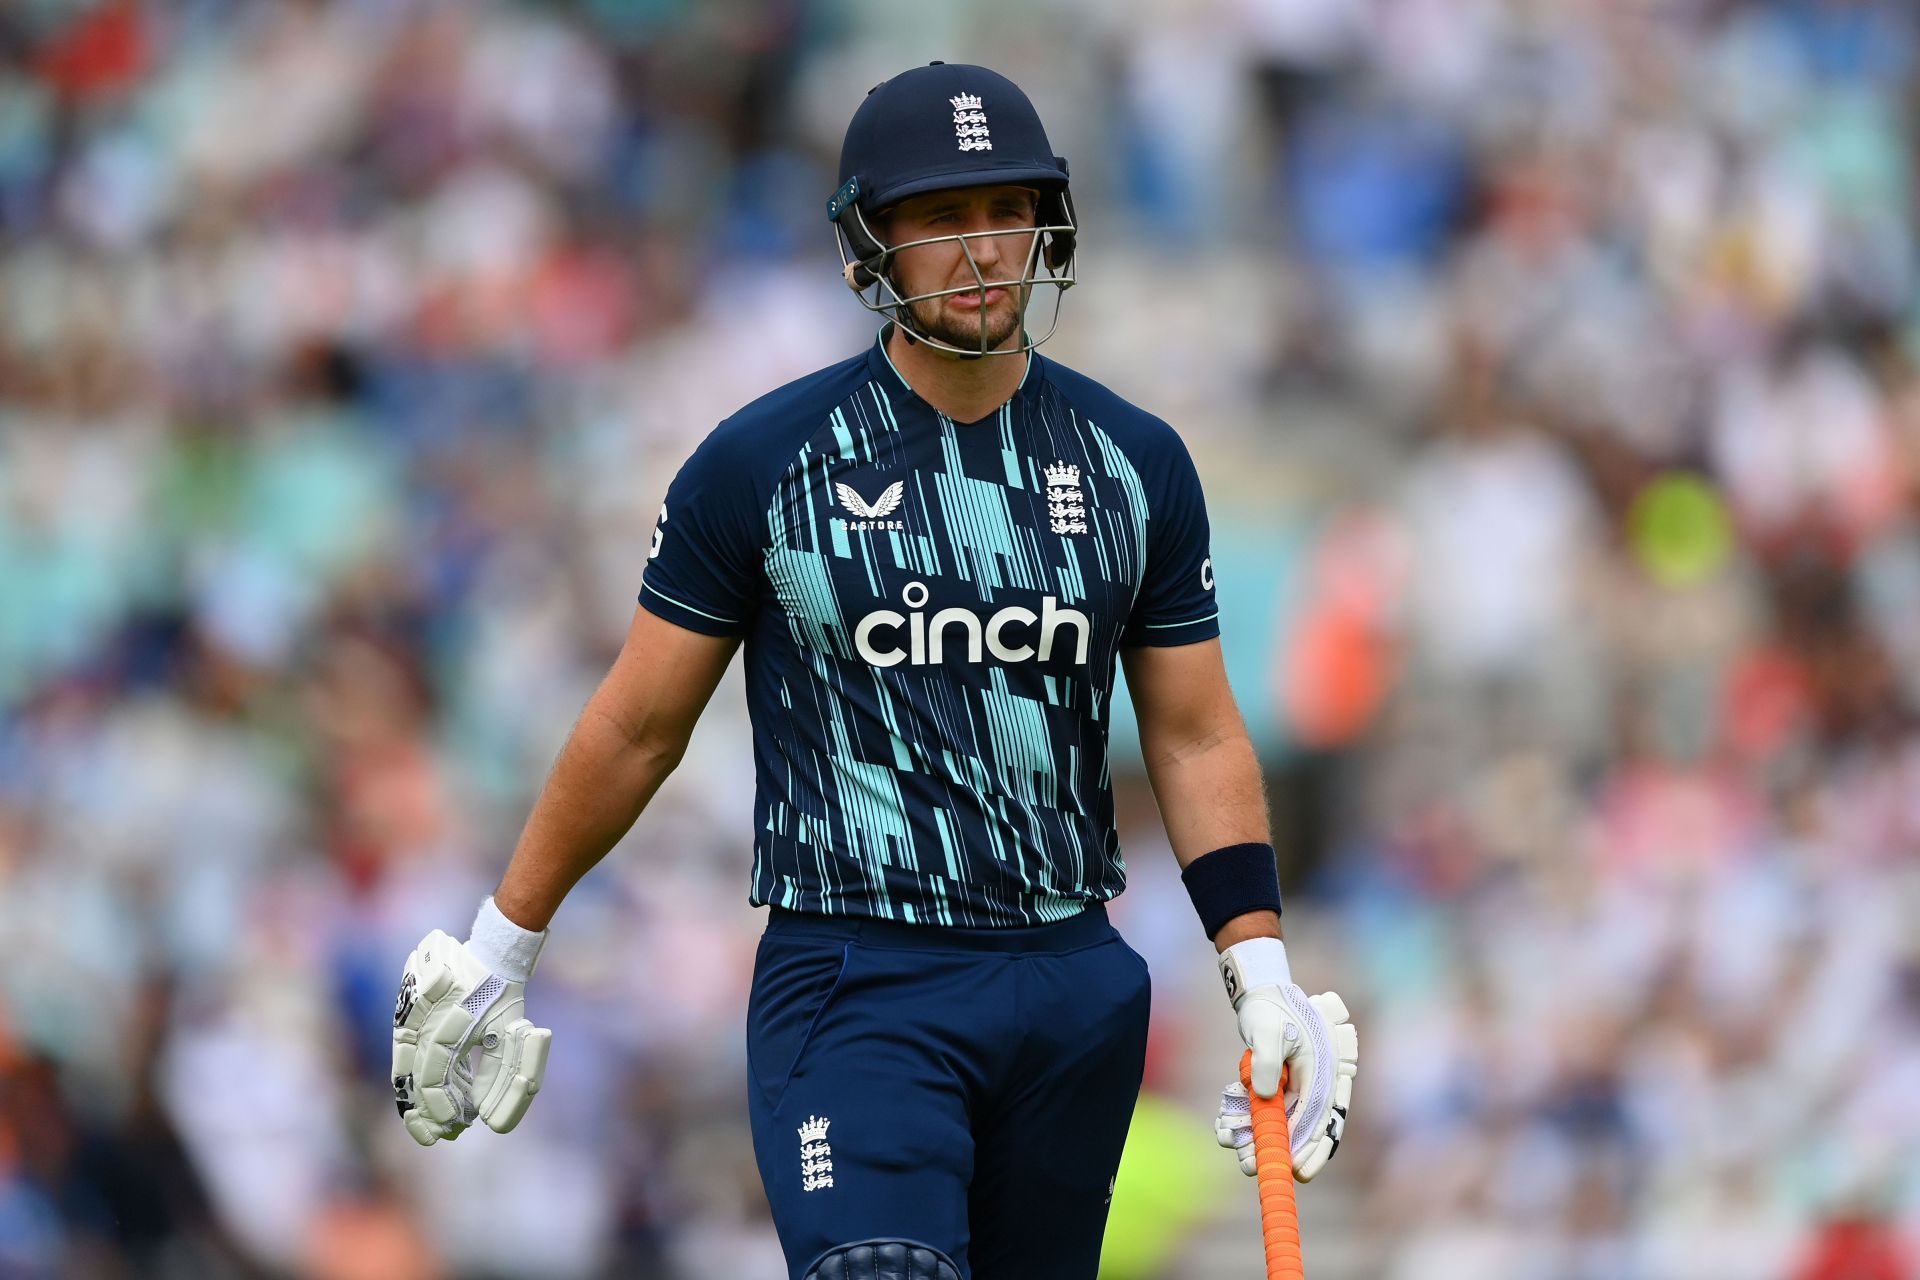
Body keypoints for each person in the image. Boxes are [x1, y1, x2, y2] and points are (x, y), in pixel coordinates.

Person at [389, 62, 1359, 1280]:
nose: (981, 249)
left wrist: (1259, 966)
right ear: (870, 247)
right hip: (858, 978)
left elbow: (1196, 734)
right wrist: (500, 943)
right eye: (941, 219)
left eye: (1006, 211)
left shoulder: (1134, 463)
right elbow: (640, 722)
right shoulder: (761, 463)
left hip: (1073, 984)